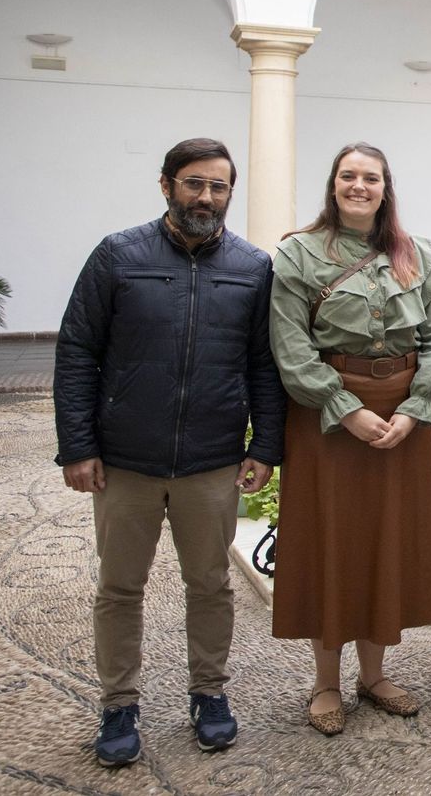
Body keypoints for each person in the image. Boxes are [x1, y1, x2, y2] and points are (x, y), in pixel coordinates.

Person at [54, 137, 284, 767]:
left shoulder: (251, 267)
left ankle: (208, 693)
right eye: (193, 183)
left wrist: (264, 444)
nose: (205, 196)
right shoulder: (117, 256)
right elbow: (77, 352)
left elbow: (263, 365)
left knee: (209, 584)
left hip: (210, 461)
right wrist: (78, 445)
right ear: (166, 185)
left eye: (218, 186)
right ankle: (118, 703)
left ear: (230, 192)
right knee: (120, 587)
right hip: (125, 460)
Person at [268, 142, 431, 735]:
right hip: (329, 421)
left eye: (370, 178)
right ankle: (325, 682)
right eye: (348, 176)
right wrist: (343, 408)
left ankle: (373, 676)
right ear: (333, 184)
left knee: (387, 541)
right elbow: (290, 344)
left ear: (384, 187)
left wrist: (418, 405)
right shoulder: (299, 254)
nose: (359, 186)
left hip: (402, 418)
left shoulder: (413, 253)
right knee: (332, 541)